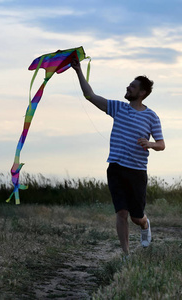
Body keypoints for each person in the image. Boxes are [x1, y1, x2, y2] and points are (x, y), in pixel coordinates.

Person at [71, 58, 165, 256]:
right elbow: (89, 95)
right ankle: (126, 254)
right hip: (115, 168)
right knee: (121, 213)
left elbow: (161, 144)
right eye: (129, 85)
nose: (128, 87)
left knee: (135, 217)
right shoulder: (118, 108)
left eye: (132, 86)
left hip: (137, 171)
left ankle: (145, 224)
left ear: (142, 93)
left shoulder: (152, 117)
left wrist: (150, 144)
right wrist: (78, 70)